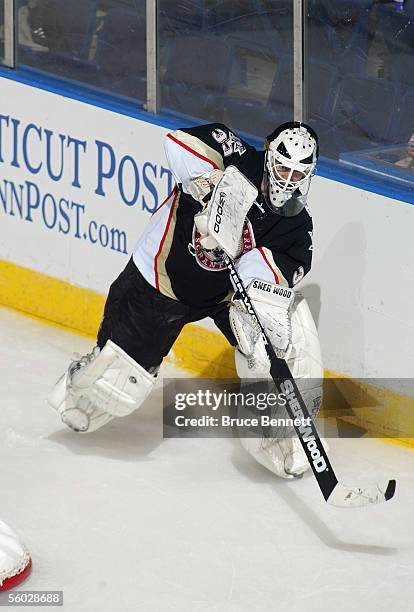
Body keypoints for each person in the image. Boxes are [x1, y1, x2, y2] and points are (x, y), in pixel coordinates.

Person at [48, 121, 324, 479]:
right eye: (283, 167)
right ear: (269, 154)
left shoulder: (298, 228)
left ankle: (282, 440)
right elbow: (178, 141)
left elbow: (274, 271)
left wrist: (255, 298)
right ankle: (84, 380)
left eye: (298, 172)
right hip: (164, 280)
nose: (288, 179)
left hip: (227, 295)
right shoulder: (235, 157)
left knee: (290, 341)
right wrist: (209, 184)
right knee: (101, 394)